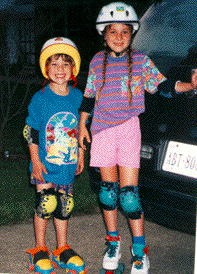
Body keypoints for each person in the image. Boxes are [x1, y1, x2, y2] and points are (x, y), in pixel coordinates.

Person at [78, 2, 197, 274]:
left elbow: (163, 86)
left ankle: (140, 252)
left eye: (125, 31)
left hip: (129, 130)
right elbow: (88, 97)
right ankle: (113, 244)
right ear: (104, 35)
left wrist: (189, 85)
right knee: (109, 194)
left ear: (132, 34)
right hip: (102, 131)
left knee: (130, 197)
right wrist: (83, 125)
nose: (119, 37)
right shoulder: (97, 61)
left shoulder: (141, 61)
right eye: (113, 31)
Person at [23, 37, 87, 274]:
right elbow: (31, 131)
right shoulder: (40, 98)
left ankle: (62, 248)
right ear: (45, 68)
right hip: (45, 164)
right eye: (54, 64)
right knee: (46, 203)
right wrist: (35, 161)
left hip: (67, 163)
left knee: (64, 205)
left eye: (65, 64)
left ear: (73, 69)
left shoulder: (78, 97)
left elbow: (80, 130)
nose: (60, 70)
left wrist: (81, 155)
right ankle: (39, 248)